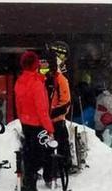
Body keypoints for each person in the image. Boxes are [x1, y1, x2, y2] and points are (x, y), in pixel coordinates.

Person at [15, 51, 54, 191]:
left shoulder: (19, 82)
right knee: (43, 154)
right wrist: (49, 128)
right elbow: (42, 109)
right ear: (35, 65)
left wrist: (22, 120)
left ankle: (28, 182)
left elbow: (18, 106)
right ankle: (38, 180)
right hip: (38, 124)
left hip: (26, 123)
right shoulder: (37, 83)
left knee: (29, 154)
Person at [43, 41, 71, 186]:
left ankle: (59, 174)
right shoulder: (44, 79)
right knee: (49, 150)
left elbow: (65, 102)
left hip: (54, 120)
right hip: (47, 121)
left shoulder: (60, 79)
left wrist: (50, 115)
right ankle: (49, 176)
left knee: (59, 149)